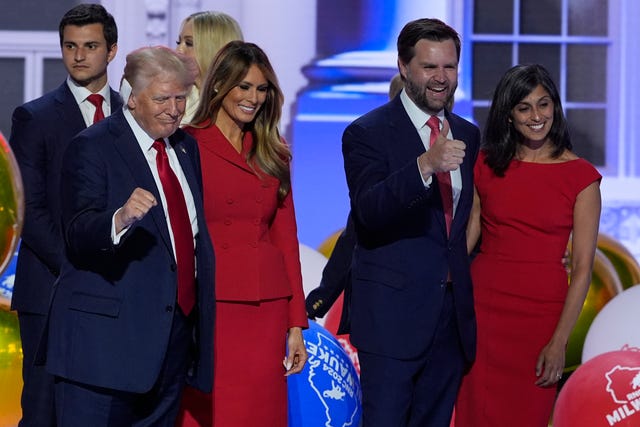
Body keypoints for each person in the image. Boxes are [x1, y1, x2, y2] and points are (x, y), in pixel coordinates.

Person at [42, 46, 215, 426]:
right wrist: (119, 217)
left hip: (171, 343)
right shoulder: (93, 145)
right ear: (133, 98)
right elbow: (78, 232)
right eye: (162, 98)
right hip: (104, 350)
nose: (174, 108)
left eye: (180, 98)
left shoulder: (186, 149)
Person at [342, 18, 480, 427]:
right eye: (429, 67)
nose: (441, 78)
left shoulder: (469, 136)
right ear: (404, 67)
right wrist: (424, 165)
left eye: (449, 67)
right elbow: (368, 212)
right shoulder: (366, 132)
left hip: (450, 321)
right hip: (391, 321)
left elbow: (460, 227)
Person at [455, 64, 602, 427]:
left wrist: (560, 342)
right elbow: (466, 238)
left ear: (555, 107)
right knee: (475, 413)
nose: (537, 116)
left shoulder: (582, 177)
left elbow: (583, 267)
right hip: (484, 309)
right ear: (508, 114)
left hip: (541, 317)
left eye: (544, 104)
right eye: (525, 107)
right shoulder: (485, 165)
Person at [177, 41, 308, 427]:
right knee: (213, 411)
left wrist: (296, 324)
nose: (254, 98)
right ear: (219, 85)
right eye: (244, 87)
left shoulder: (272, 150)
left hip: (265, 308)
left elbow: (286, 239)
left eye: (262, 88)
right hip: (210, 306)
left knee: (259, 412)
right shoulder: (187, 145)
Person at [8, 4, 120, 425]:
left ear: (111, 51)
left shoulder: (131, 113)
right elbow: (29, 209)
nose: (78, 56)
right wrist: (79, 267)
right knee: (43, 409)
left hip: (118, 292)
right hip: (52, 287)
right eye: (70, 46)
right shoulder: (34, 117)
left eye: (90, 46)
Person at [175, 11, 243, 125]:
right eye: (178, 42)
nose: (178, 50)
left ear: (213, 49)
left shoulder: (234, 105)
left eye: (189, 43)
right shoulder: (174, 96)